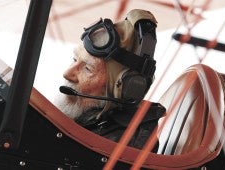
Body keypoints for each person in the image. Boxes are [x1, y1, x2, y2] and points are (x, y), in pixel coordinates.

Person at [53, 9, 165, 150]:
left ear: (126, 89)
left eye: (88, 68)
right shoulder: (85, 123)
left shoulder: (123, 147)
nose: (68, 73)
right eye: (74, 59)